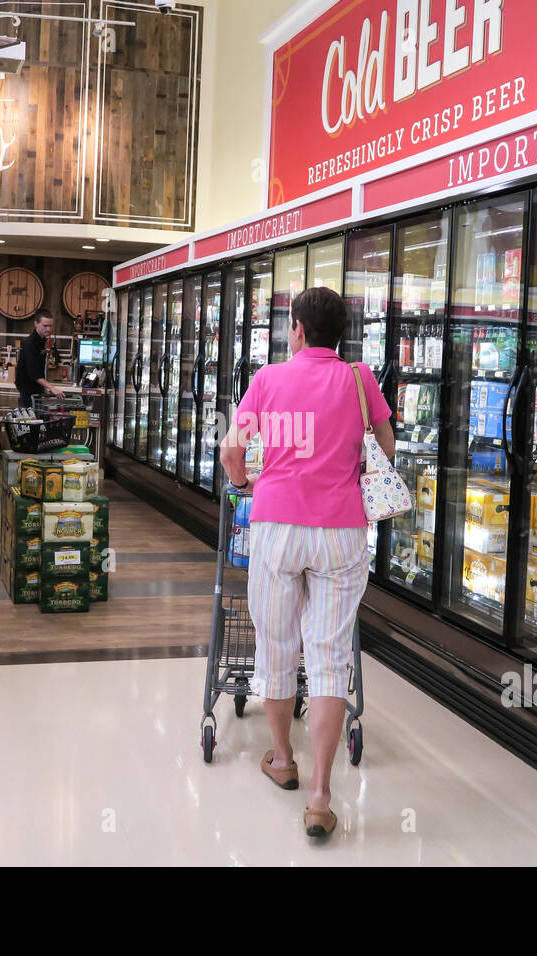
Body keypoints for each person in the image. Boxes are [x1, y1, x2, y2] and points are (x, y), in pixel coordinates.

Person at [219, 286, 394, 839]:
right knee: (328, 655)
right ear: (340, 332)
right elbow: (386, 448)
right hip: (341, 532)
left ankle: (281, 758)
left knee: (276, 645)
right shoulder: (361, 380)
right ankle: (320, 794)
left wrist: (244, 481)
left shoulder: (268, 380)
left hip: (276, 528)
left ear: (296, 328)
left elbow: (232, 449)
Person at [16, 309, 67, 406]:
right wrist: (51, 387)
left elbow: (39, 369)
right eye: (45, 326)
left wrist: (44, 388)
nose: (48, 329)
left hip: (36, 390)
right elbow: (33, 373)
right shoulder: (30, 343)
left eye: (50, 326)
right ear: (36, 324)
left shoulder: (42, 340)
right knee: (31, 420)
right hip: (28, 393)